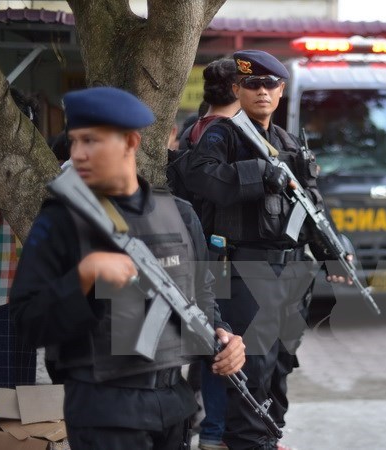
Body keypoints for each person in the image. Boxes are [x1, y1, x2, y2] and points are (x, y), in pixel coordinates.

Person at [10, 86, 245, 450]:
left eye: (91, 141)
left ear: (131, 142)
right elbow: (26, 322)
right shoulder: (60, 221)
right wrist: (84, 276)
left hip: (174, 406)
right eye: (74, 142)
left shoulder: (179, 215)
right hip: (104, 411)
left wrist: (224, 334)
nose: (78, 153)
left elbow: (202, 294)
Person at [182, 50, 348, 450]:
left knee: (280, 364)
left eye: (269, 84)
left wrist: (336, 249)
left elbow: (311, 203)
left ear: (281, 90)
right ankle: (246, 441)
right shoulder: (223, 134)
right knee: (252, 366)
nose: (261, 92)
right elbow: (201, 179)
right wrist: (260, 174)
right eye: (251, 85)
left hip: (287, 272)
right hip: (244, 268)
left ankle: (269, 435)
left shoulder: (284, 140)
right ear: (237, 89)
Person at [168, 57, 241, 450]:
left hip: (187, 248)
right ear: (235, 90)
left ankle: (202, 424)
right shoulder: (228, 134)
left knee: (204, 336)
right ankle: (213, 433)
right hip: (219, 254)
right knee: (220, 338)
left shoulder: (190, 129)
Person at [0, 88, 39, 389]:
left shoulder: (35, 171)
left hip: (15, 295)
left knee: (14, 391)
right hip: (7, 293)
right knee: (9, 388)